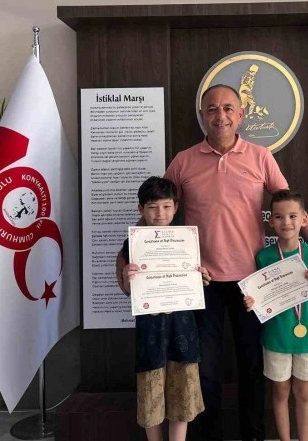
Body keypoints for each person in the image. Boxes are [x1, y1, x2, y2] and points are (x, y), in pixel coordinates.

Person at [163, 84, 308, 441]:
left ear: (240, 115)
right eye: (211, 109)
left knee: (252, 366)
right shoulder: (183, 161)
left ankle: (253, 435)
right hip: (202, 281)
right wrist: (137, 251)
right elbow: (159, 209)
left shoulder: (260, 156)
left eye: (227, 108)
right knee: (206, 370)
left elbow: (290, 206)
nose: (219, 115)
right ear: (202, 115)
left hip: (253, 283)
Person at [117, 176, 205, 441]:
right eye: (152, 207)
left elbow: (196, 279)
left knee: (183, 395)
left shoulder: (186, 240)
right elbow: (127, 290)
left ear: (176, 207)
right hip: (151, 332)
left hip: (183, 328)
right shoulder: (132, 244)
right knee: (151, 396)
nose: (160, 214)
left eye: (166, 206)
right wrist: (127, 276)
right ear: (141, 209)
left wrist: (201, 277)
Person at [243, 190, 308, 441]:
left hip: (307, 335)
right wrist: (251, 301)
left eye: (292, 216)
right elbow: (258, 295)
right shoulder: (264, 257)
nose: (286, 222)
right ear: (270, 221)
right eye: (279, 217)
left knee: (303, 392)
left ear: (304, 219)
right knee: (279, 392)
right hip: (276, 336)